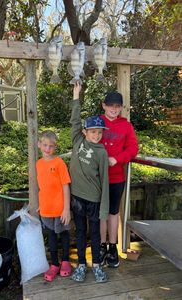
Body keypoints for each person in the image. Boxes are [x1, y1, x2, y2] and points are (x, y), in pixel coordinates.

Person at [70, 82, 109, 283]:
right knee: (80, 232)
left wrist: (104, 208)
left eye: (100, 132)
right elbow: (75, 120)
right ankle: (81, 265)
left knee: (94, 233)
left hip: (93, 200)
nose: (97, 135)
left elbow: (105, 182)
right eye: (93, 131)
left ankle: (96, 265)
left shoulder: (102, 153)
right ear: (85, 131)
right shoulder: (77, 139)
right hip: (77, 198)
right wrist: (76, 95)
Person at [99, 92, 138, 268]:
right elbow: (86, 142)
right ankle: (100, 245)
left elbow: (133, 148)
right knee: (100, 213)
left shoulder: (126, 126)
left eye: (117, 106)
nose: (114, 109)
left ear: (121, 107)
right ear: (104, 105)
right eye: (111, 105)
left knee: (113, 212)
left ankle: (112, 246)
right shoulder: (97, 122)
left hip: (116, 177)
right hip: (97, 178)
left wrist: (118, 159)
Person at [36, 130, 72, 282]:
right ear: (39, 145)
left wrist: (66, 209)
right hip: (46, 209)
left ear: (55, 147)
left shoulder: (59, 163)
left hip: (60, 209)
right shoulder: (38, 164)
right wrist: (40, 205)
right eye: (44, 145)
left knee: (63, 235)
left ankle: (65, 261)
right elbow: (42, 186)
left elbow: (65, 186)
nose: (47, 149)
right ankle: (54, 264)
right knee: (50, 236)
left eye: (51, 146)